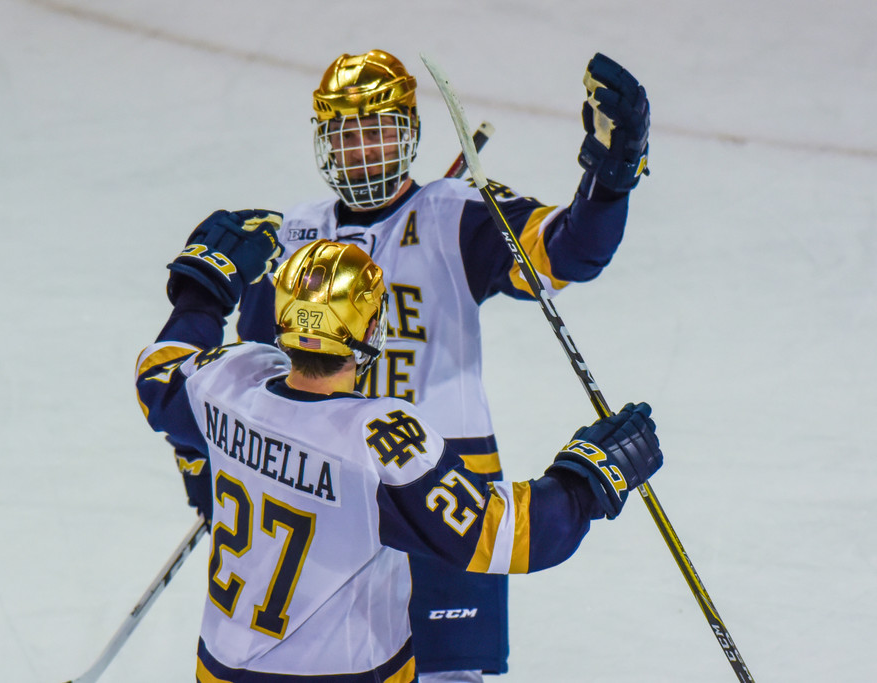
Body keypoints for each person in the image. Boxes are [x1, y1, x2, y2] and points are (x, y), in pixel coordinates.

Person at [165, 50, 651, 680]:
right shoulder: (295, 239)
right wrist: (207, 467)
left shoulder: (457, 212)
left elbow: (568, 253)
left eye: (378, 130)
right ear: (324, 142)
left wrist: (608, 182)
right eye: (346, 133)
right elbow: (249, 380)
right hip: (328, 503)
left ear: (409, 133)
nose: (363, 149)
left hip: (446, 490)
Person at [136, 216, 663, 682]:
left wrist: (203, 291)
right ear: (370, 331)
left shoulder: (227, 380)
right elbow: (505, 536)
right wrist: (589, 479)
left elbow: (157, 376)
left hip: (221, 667)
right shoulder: (376, 438)